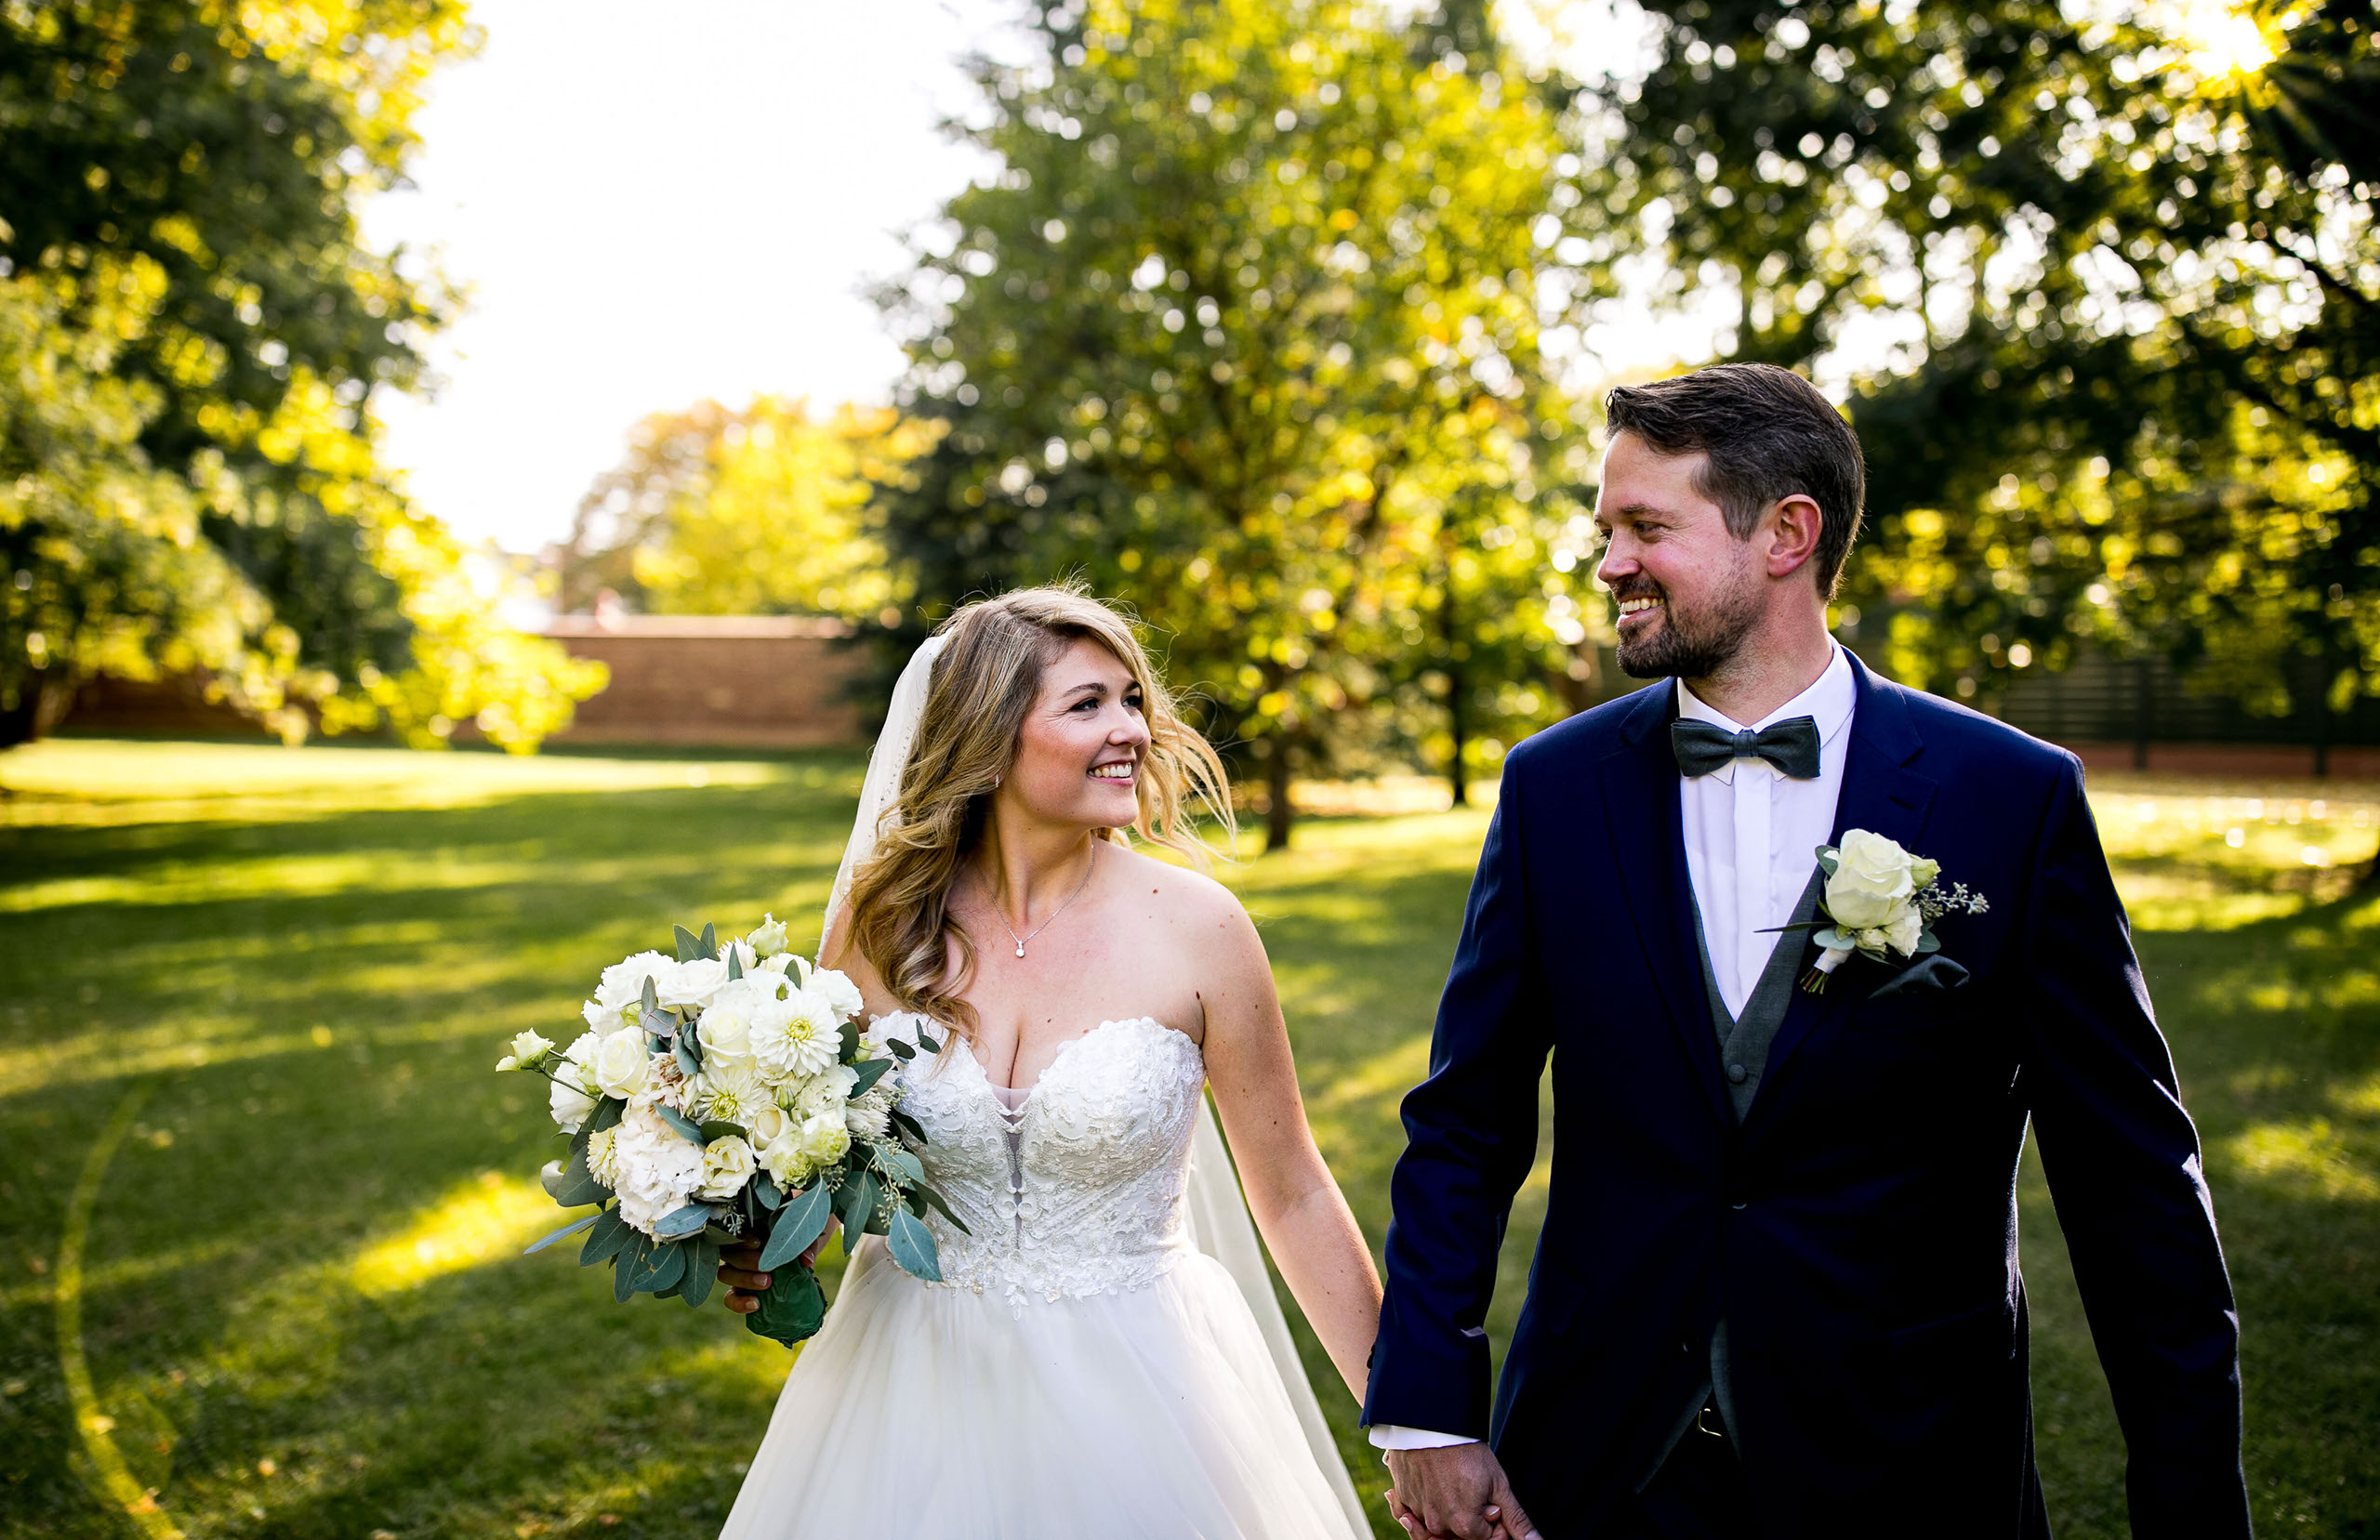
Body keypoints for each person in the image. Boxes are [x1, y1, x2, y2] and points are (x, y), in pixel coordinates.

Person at [1365, 363, 2250, 1539]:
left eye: (1645, 527)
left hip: (1910, 1457)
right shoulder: (1551, 790)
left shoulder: (2008, 798)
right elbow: (1465, 1122)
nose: (1608, 562)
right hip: (1599, 1453)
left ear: (1787, 533)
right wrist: (1428, 1411)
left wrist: (2191, 1508)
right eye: (1604, 530)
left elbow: (2133, 1185)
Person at [713, 585, 1379, 1540]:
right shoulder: (880, 925)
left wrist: (1412, 1425)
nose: (1133, 731)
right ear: (988, 739)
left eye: (1131, 699)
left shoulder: (1202, 929)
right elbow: (820, 1164)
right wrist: (765, 1237)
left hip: (1148, 1386)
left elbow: (1294, 1191)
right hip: (903, 1387)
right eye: (1086, 704)